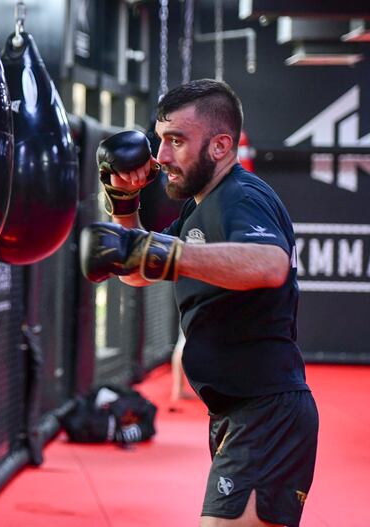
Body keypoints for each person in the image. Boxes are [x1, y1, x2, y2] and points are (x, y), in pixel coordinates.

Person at [81, 79, 318, 527]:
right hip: (238, 412)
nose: (162, 156)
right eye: (160, 140)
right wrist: (124, 200)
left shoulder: (241, 196)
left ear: (220, 145)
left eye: (176, 141)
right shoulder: (198, 209)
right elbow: (136, 272)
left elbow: (269, 264)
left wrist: (161, 253)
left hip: (265, 413)